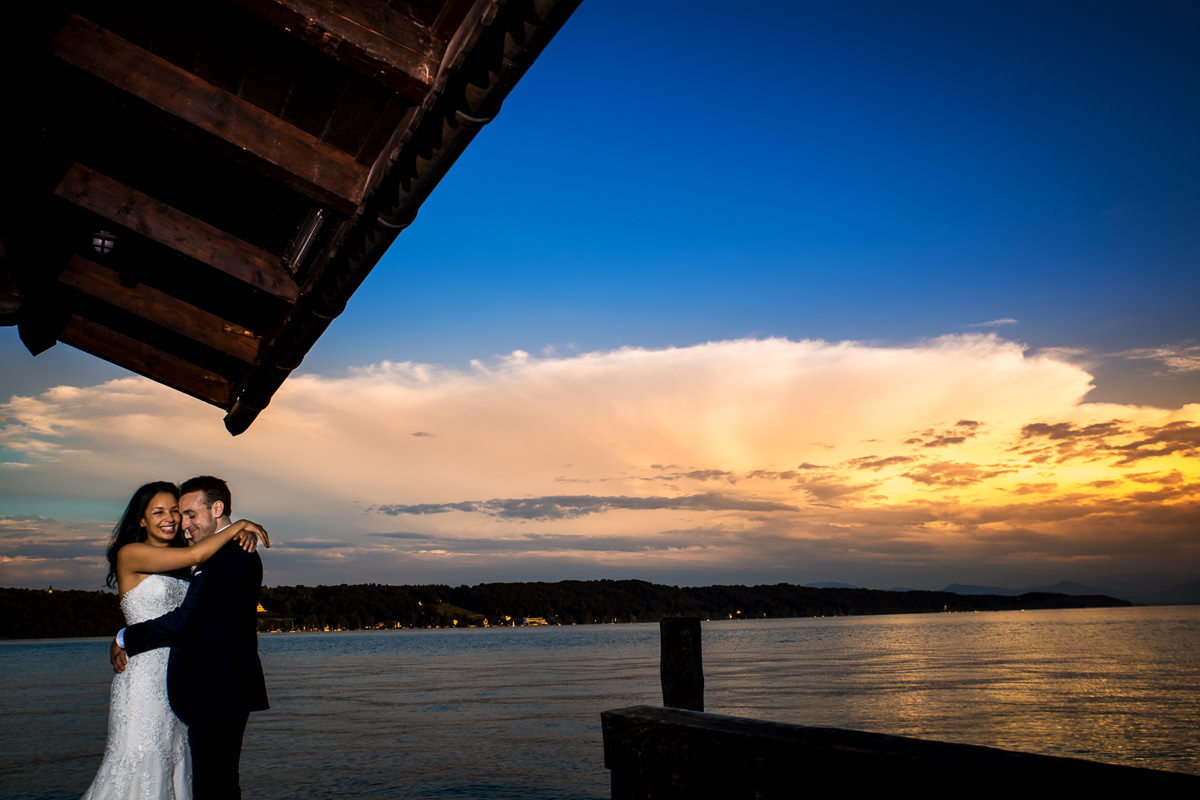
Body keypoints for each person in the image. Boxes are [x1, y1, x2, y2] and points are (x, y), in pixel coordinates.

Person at [82, 481, 266, 800]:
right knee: (145, 763)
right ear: (141, 520)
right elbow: (198, 558)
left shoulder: (206, 557)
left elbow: (188, 616)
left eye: (180, 512)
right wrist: (238, 527)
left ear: (216, 510)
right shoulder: (139, 554)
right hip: (151, 680)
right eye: (162, 512)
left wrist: (125, 637)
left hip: (201, 685)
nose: (175, 520)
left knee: (195, 774)